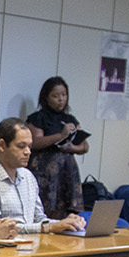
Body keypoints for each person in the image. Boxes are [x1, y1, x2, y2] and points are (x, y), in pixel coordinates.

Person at [0, 118, 83, 235]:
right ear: (2, 145)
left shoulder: (28, 176)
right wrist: (50, 227)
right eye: (21, 146)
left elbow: (39, 219)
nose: (28, 152)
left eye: (29, 146)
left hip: (30, 247)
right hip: (4, 249)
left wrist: (66, 223)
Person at [26, 76, 89, 219]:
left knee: (68, 210)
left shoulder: (70, 119)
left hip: (67, 169)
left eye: (64, 95)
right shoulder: (38, 118)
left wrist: (73, 147)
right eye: (55, 96)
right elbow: (35, 142)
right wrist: (60, 135)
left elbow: (85, 146)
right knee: (45, 208)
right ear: (46, 97)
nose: (61, 99)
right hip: (45, 169)